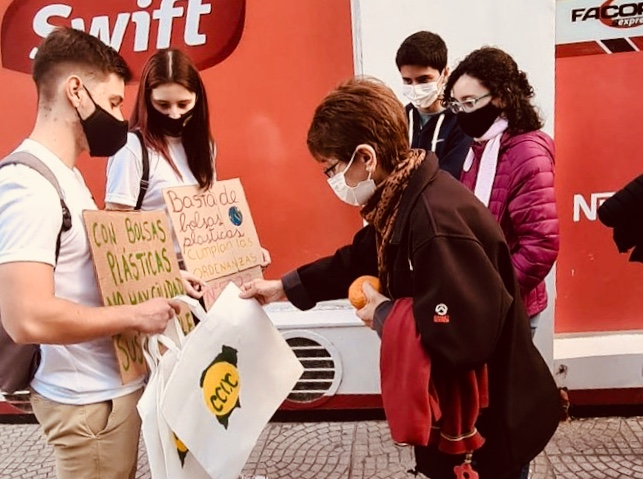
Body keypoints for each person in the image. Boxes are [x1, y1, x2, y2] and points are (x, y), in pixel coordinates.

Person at [240, 77, 560, 479]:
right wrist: (284, 288)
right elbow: (359, 257)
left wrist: (386, 313)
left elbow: (464, 338)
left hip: (489, 419)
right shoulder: (402, 197)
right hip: (468, 405)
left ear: (365, 158)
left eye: (332, 169)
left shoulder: (433, 220)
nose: (330, 181)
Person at [0, 28, 181, 479]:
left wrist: (170, 280)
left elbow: (84, 274)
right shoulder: (27, 187)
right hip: (86, 403)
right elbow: (28, 319)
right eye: (115, 102)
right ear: (76, 91)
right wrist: (136, 316)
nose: (120, 117)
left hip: (107, 393)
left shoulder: (68, 177)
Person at [105, 48, 269, 288]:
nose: (174, 113)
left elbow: (209, 219)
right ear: (147, 101)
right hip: (154, 286)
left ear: (197, 99)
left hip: (205, 280)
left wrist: (246, 251)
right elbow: (114, 234)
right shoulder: (130, 148)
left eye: (183, 103)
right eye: (163, 104)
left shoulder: (205, 147)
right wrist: (166, 274)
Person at [443, 46, 559, 338]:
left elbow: (540, 246)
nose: (462, 115)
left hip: (507, 305)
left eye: (469, 103)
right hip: (479, 299)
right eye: (456, 105)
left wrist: (494, 295)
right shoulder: (481, 145)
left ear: (503, 97)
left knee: (505, 385)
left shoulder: (526, 153)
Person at [396, 31, 471, 178]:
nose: (415, 87)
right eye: (407, 81)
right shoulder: (399, 119)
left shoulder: (462, 122)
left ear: (445, 74)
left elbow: (449, 179)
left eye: (424, 80)